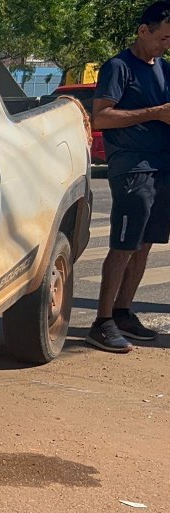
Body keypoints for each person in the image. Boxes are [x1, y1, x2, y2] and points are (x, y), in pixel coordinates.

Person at [89, 1, 170, 353]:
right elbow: (101, 118)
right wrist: (154, 112)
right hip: (131, 167)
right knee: (123, 245)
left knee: (145, 243)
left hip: (162, 166)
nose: (166, 45)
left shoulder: (165, 69)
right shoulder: (118, 67)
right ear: (143, 30)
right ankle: (101, 321)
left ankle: (123, 312)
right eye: (163, 37)